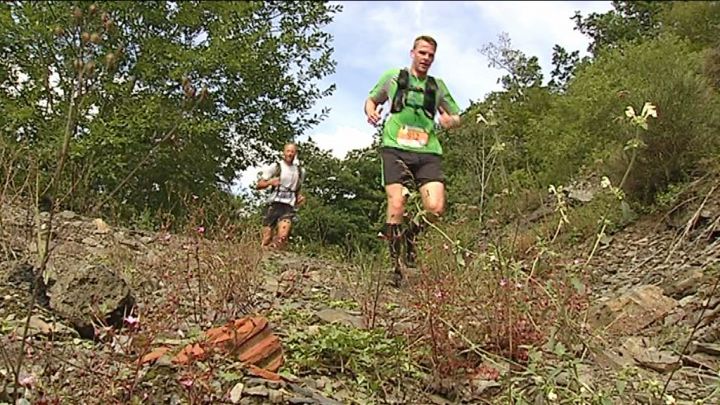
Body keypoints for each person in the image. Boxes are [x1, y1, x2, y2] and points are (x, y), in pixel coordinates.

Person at [364, 35, 462, 286]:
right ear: (413, 53)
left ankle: (410, 236)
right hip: (395, 147)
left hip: (428, 150)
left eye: (430, 55)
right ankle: (395, 265)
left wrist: (450, 121)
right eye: (422, 53)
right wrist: (371, 112)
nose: (426, 58)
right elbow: (372, 99)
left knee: (435, 208)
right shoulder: (393, 77)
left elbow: (456, 115)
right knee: (397, 203)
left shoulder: (437, 86)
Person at [256, 142, 306, 250]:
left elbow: (298, 188)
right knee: (266, 238)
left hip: (288, 205)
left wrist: (299, 197)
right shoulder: (276, 167)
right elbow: (259, 185)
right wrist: (270, 182)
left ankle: (275, 255)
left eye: (292, 151)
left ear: (295, 153)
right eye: (288, 151)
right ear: (284, 152)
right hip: (274, 203)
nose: (290, 154)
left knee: (282, 237)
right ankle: (263, 258)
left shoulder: (300, 171)